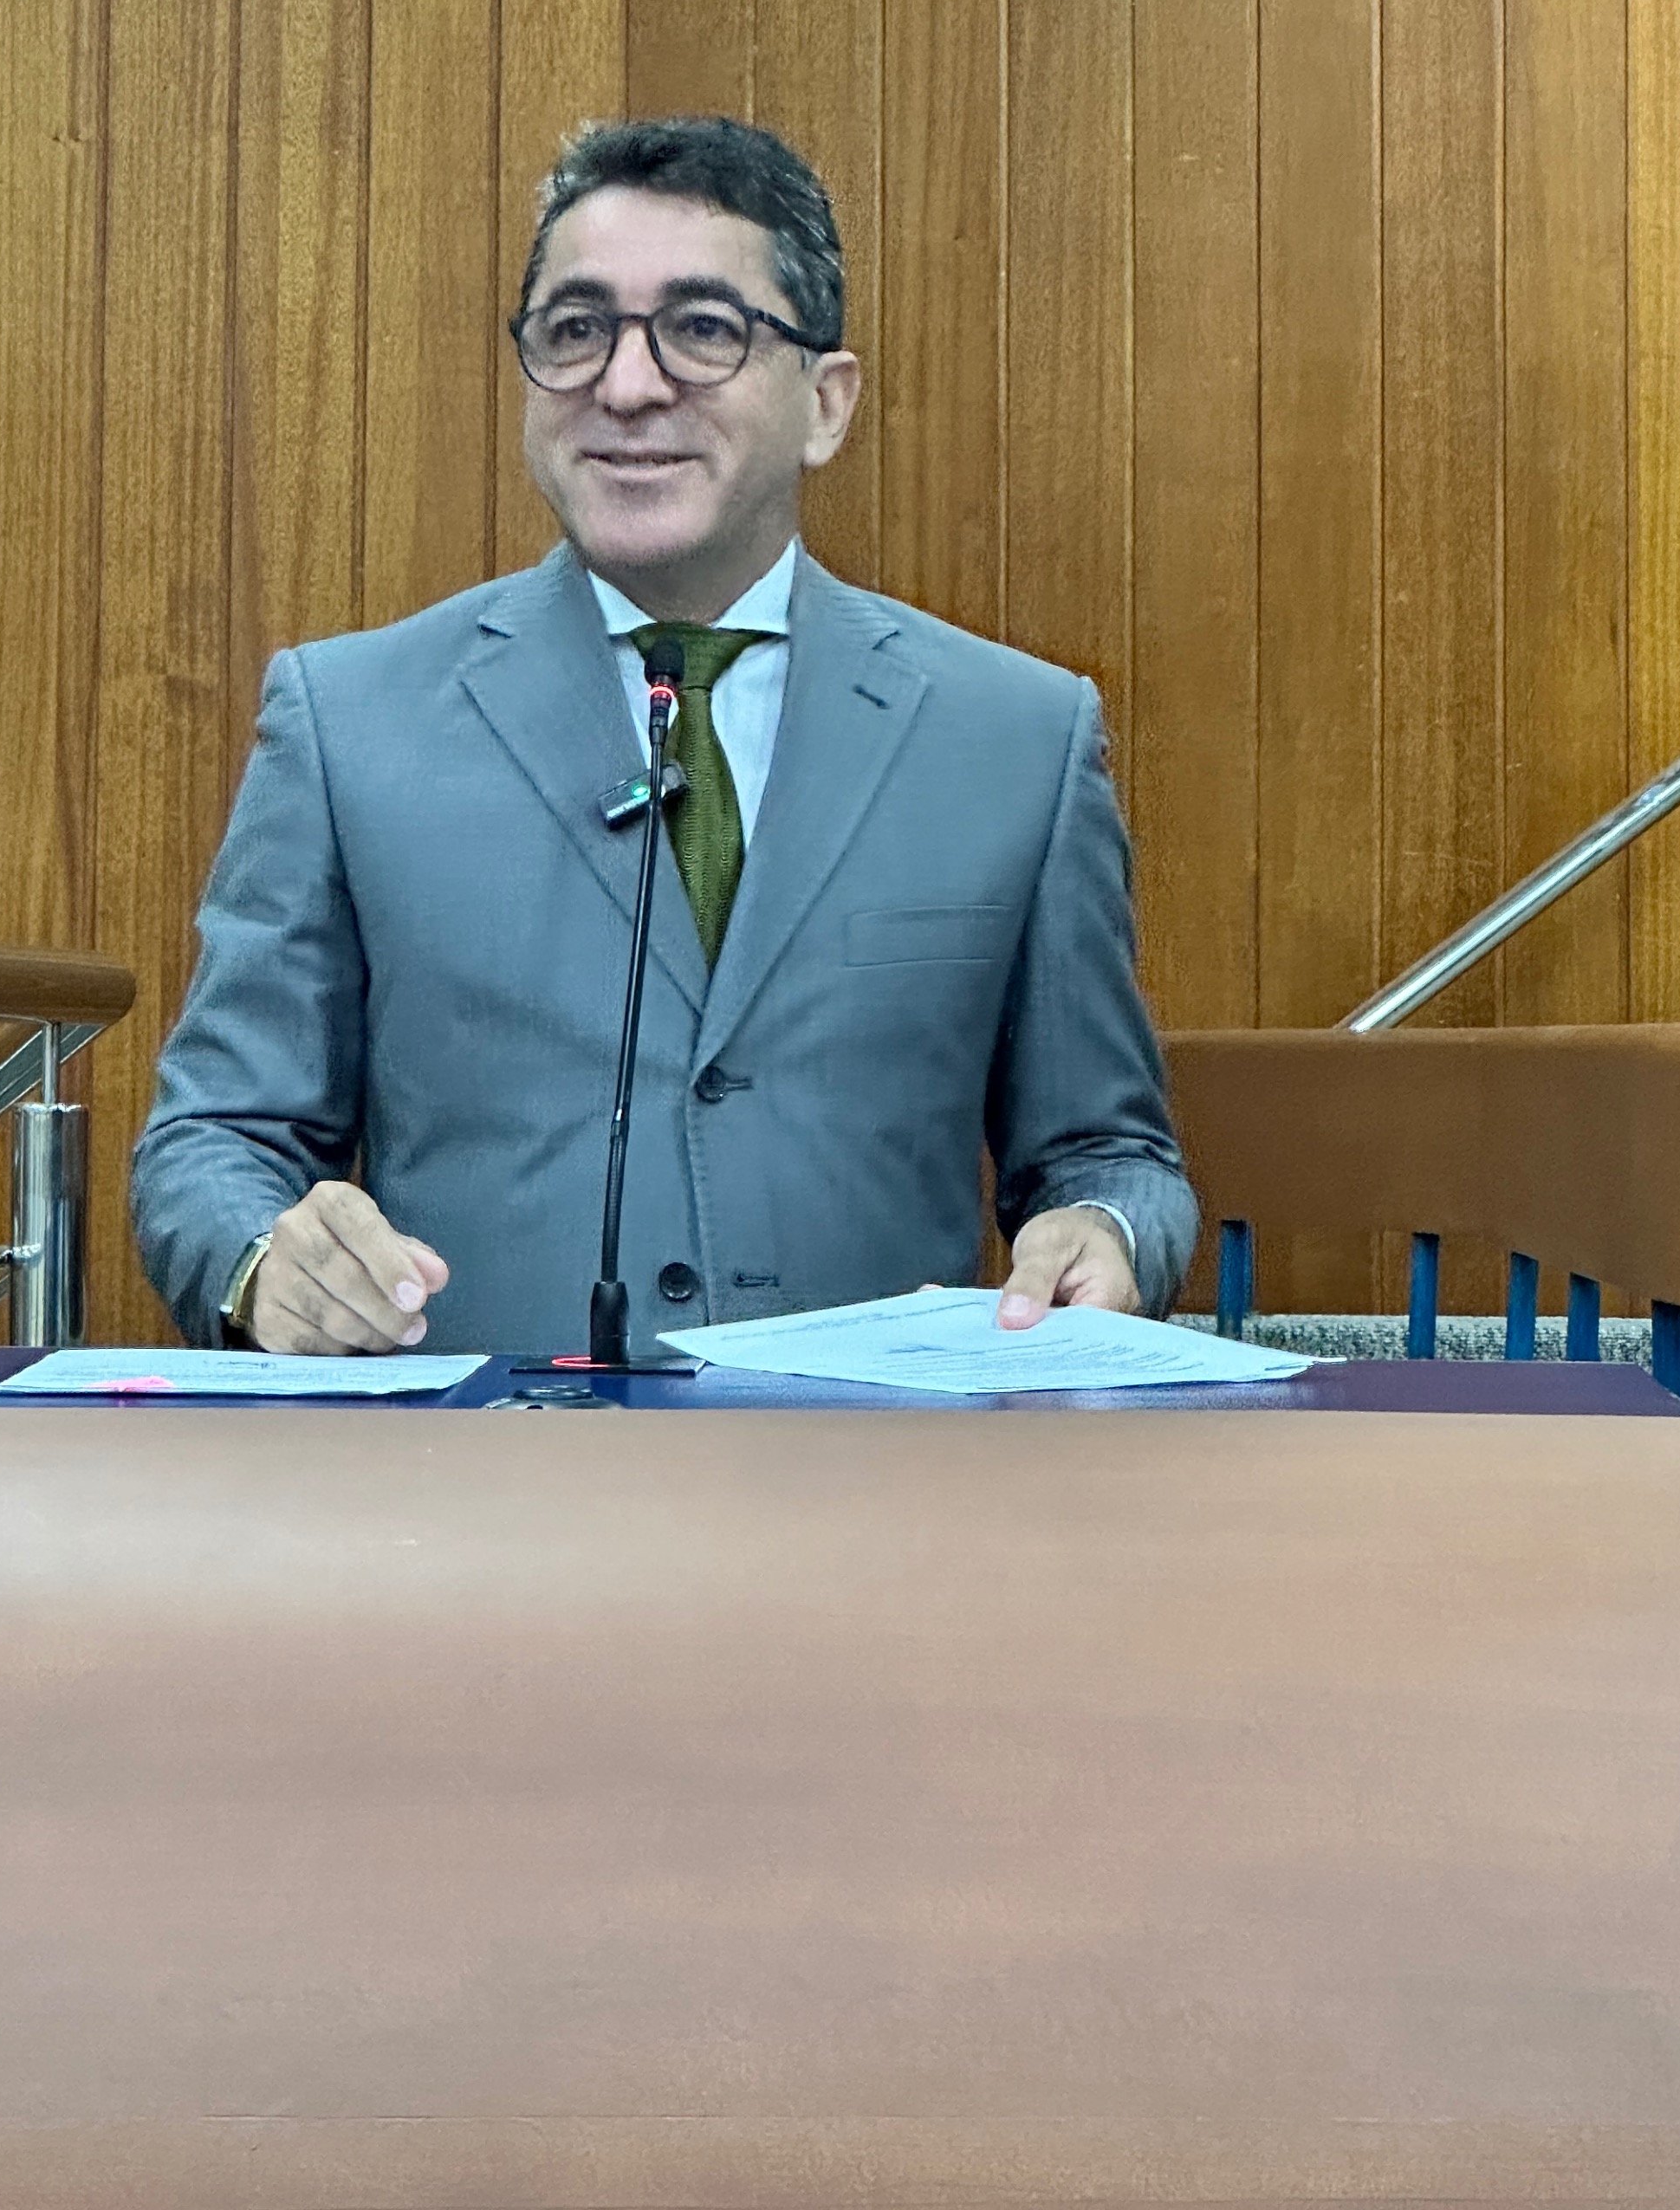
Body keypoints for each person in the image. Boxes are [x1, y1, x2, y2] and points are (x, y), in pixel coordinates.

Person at [134, 116, 1197, 1355]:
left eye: (702, 329)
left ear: (825, 405)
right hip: (482, 1459)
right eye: (575, 330)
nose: (627, 387)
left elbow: (1108, 1151)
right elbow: (216, 1142)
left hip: (873, 1463)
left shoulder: (1015, 736)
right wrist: (265, 1263)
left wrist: (1107, 1230)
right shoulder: (348, 721)